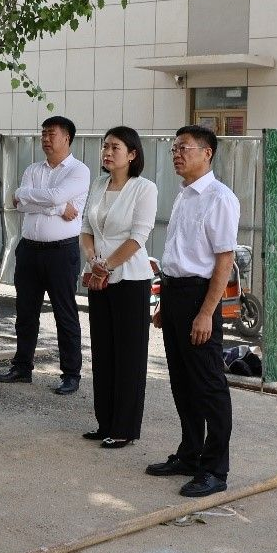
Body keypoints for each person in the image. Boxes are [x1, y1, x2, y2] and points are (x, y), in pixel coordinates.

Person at [148, 125, 239, 498]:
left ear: (207, 153)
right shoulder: (184, 195)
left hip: (200, 297)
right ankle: (190, 454)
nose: (176, 154)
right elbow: (178, 254)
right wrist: (165, 303)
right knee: (182, 382)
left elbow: (224, 260)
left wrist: (206, 313)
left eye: (184, 148)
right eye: (174, 148)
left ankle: (215, 469)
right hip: (175, 294)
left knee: (208, 384)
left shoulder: (219, 198)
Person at [0, 116, 91, 394]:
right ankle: (22, 367)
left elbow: (50, 195)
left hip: (61, 252)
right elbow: (20, 203)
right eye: (43, 134)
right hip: (29, 250)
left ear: (67, 138)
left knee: (64, 313)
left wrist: (32, 197)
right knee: (25, 312)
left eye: (51, 134)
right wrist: (58, 208)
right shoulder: (33, 169)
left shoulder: (79, 171)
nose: (45, 139)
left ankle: (71, 374)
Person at [79, 126, 158, 448]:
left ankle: (124, 427)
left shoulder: (144, 188)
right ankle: (105, 422)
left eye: (115, 147)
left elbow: (138, 237)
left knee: (129, 356)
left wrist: (107, 265)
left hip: (130, 279)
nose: (107, 152)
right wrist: (93, 261)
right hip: (98, 277)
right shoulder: (98, 184)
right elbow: (86, 228)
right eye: (105, 147)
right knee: (103, 352)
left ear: (132, 154)